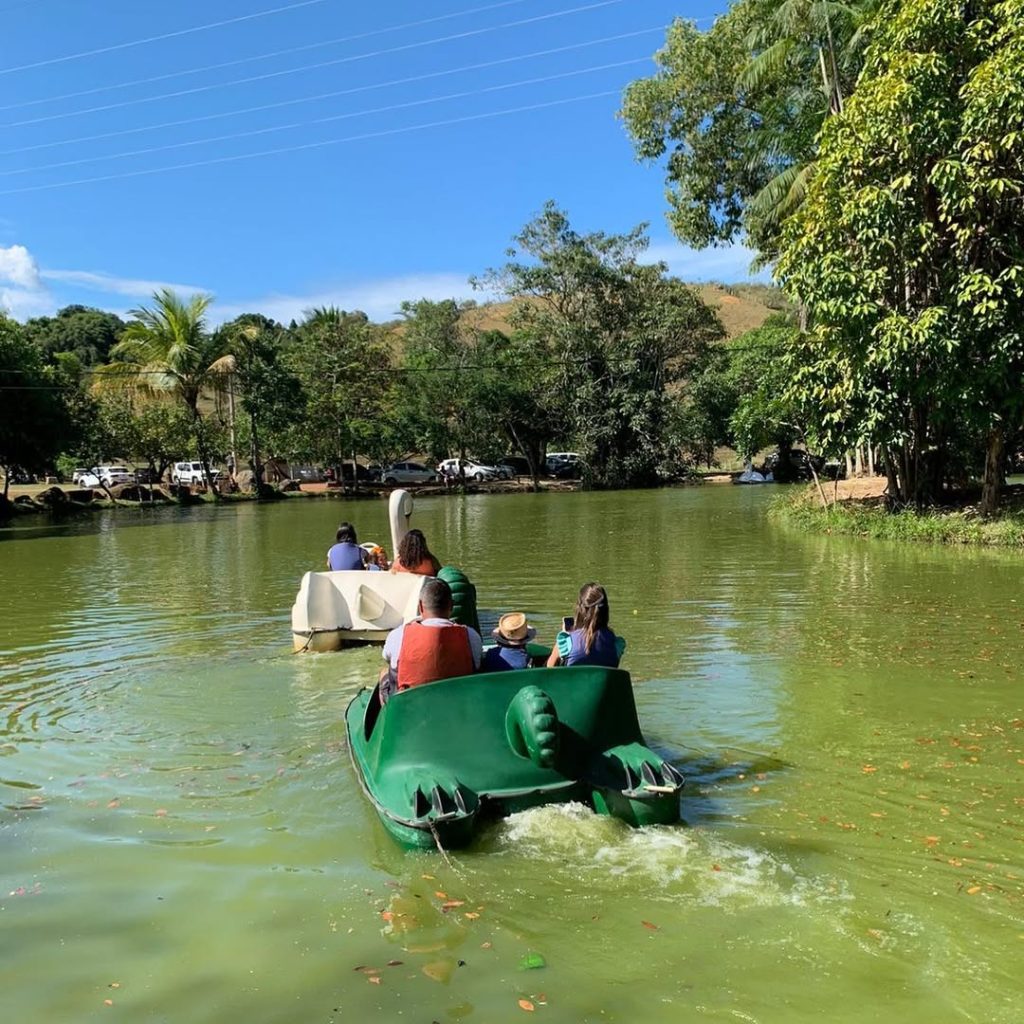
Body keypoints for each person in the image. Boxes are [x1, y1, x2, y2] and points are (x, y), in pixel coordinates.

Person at [380, 578, 483, 696]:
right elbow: (478, 664)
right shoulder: (471, 636)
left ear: (420, 606)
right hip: (457, 705)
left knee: (384, 672)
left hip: (411, 707)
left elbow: (387, 657)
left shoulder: (398, 635)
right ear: (451, 606)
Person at [546, 582, 625, 668]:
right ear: (606, 610)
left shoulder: (565, 642)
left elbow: (549, 668)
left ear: (580, 609)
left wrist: (564, 637)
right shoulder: (616, 644)